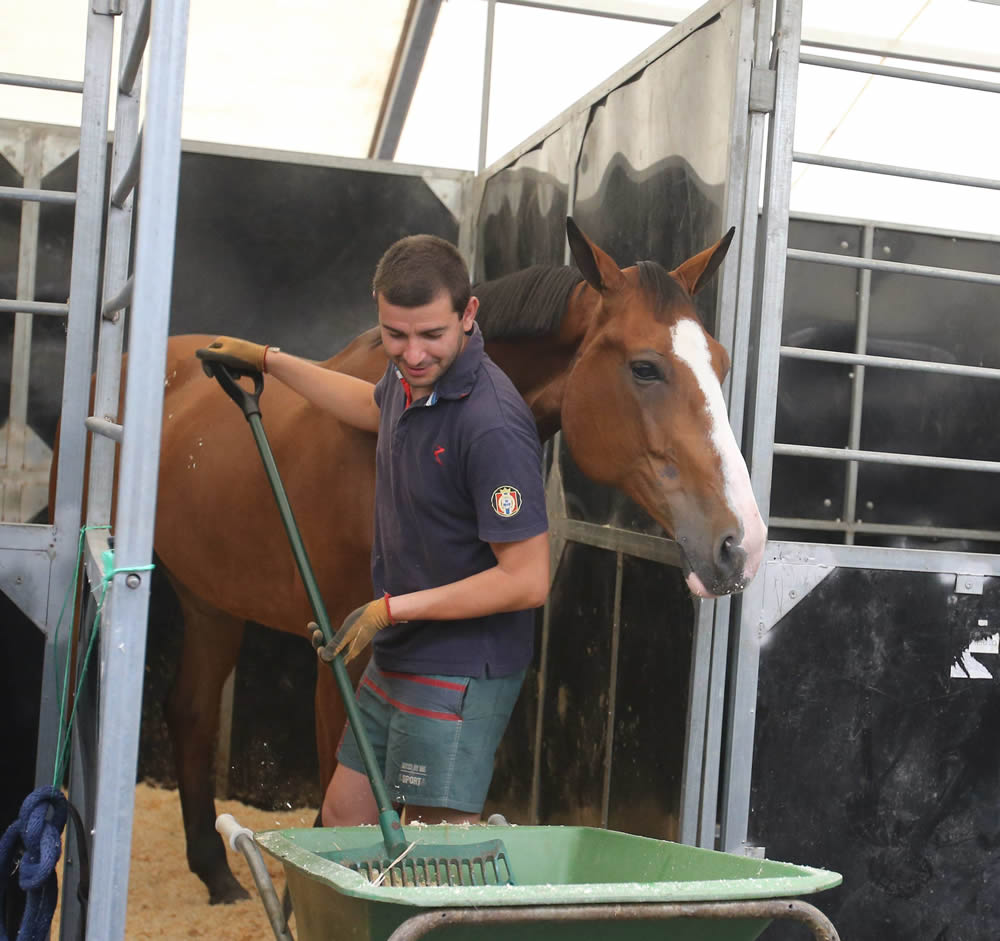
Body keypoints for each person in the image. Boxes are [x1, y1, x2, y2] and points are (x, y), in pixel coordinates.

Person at [196, 234, 549, 827]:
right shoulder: (416, 382)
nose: (411, 354)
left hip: (460, 668)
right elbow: (374, 405)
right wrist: (271, 362)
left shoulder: (492, 426)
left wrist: (392, 609)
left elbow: (528, 579)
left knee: (433, 844)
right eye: (395, 334)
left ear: (468, 316)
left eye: (431, 335)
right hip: (400, 650)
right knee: (343, 817)